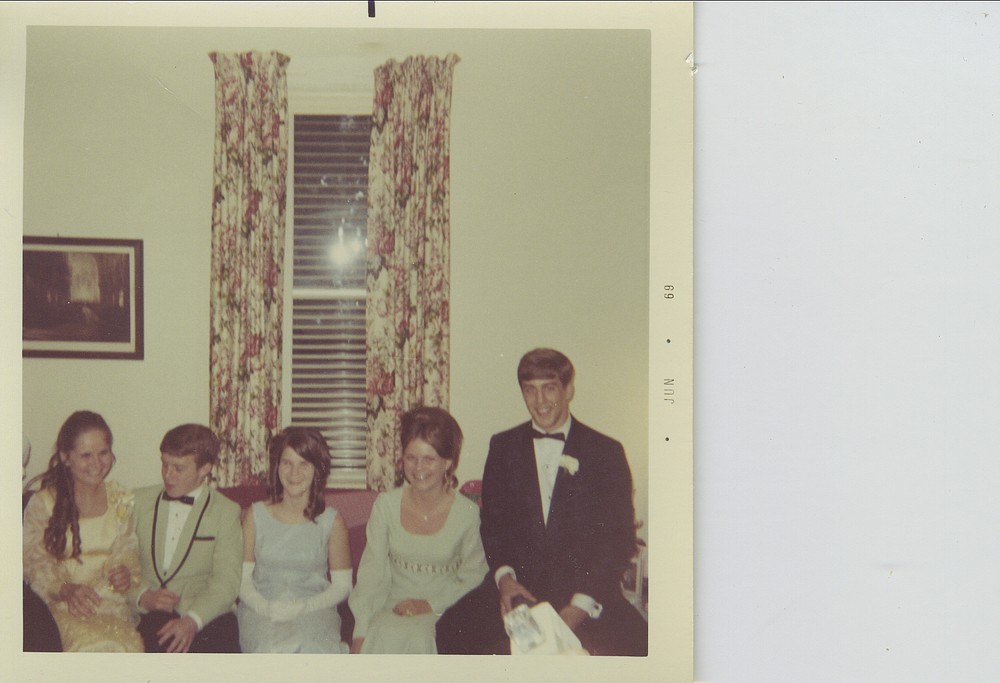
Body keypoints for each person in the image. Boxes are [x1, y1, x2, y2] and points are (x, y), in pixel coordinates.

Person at [435, 348, 648, 656]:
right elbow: (493, 526)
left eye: (549, 388)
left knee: (636, 646)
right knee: (452, 628)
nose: (540, 401)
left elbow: (618, 540)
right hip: (521, 591)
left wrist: (579, 607)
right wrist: (505, 580)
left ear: (568, 390)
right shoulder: (503, 446)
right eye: (530, 390)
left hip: (586, 592)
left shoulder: (606, 452)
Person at [348, 407, 488, 654]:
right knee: (382, 633)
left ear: (448, 462)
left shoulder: (467, 514)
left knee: (419, 636)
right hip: (391, 611)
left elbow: (474, 575)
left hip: (443, 613)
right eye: (411, 458)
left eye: (429, 459)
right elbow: (371, 575)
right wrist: (360, 632)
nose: (418, 467)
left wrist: (429, 604)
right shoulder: (386, 506)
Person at [22, 410, 143, 652]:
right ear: (65, 457)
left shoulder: (119, 497)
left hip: (110, 605)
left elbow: (128, 550)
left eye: (103, 453)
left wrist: (124, 574)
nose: (96, 463)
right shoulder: (44, 503)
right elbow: (34, 564)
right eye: (86, 455)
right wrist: (66, 590)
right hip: (62, 606)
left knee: (127, 650)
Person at [128, 424, 242, 653]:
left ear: (205, 468)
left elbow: (227, 581)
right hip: (151, 614)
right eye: (164, 464)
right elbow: (120, 564)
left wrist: (192, 620)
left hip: (206, 615)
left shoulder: (226, 512)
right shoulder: (136, 502)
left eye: (178, 468)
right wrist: (142, 596)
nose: (167, 475)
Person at [237, 427, 353, 653]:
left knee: (310, 650)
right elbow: (241, 581)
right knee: (269, 650)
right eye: (287, 463)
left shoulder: (332, 521)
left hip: (315, 610)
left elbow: (343, 586)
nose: (294, 473)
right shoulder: (254, 515)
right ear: (277, 466)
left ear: (317, 469)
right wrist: (267, 607)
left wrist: (303, 606)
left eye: (303, 464)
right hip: (261, 609)